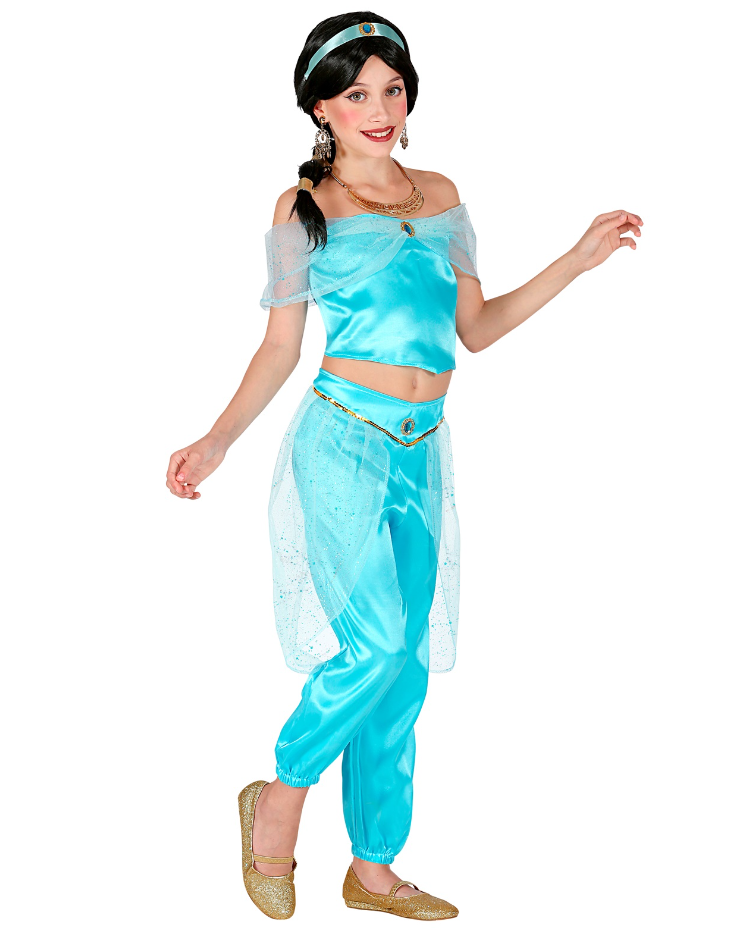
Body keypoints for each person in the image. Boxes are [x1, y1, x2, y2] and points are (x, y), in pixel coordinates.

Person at [165, 12, 643, 922]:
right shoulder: (302, 207)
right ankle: (280, 797)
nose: (380, 109)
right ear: (321, 108)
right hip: (340, 441)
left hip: (424, 449)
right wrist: (216, 439)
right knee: (377, 644)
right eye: (356, 94)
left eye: (392, 89)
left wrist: (577, 261)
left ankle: (373, 866)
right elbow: (279, 347)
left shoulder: (442, 194)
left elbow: (476, 330)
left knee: (406, 664)